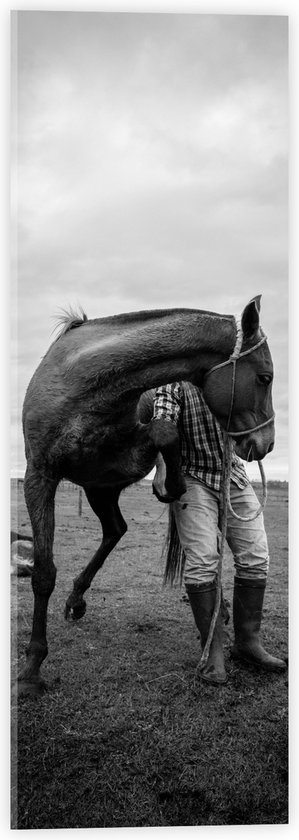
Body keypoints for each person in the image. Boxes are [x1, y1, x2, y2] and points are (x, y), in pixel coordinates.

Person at [152, 381, 287, 686]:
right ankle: (212, 651)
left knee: (255, 555)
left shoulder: (230, 380)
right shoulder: (175, 383)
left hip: (232, 474)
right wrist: (165, 469)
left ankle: (248, 642)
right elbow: (162, 422)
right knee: (202, 558)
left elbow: (251, 415)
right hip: (193, 476)